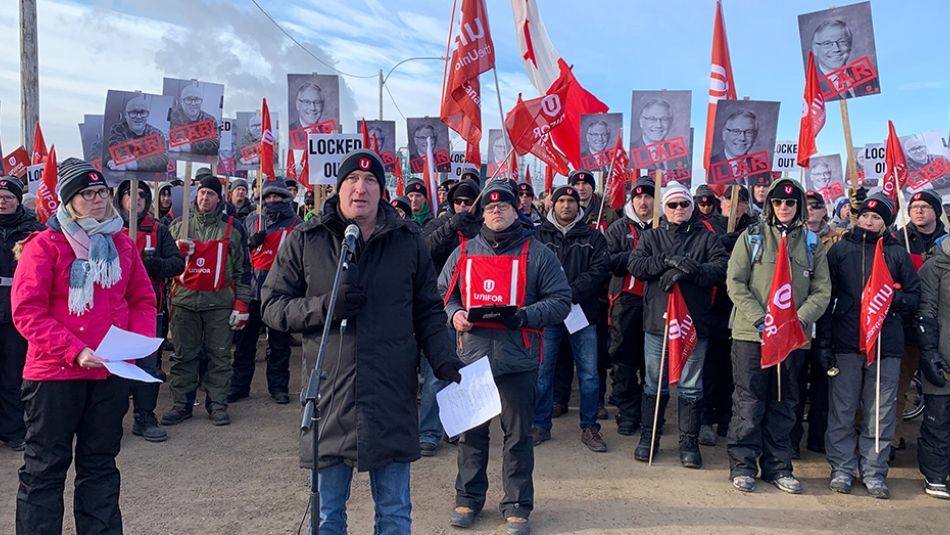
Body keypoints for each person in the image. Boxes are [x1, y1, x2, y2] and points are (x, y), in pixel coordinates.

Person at [261, 149, 463, 534]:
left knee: (394, 513)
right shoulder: (308, 238)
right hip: (330, 398)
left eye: (371, 181)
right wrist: (323, 307)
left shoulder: (407, 241)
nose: (361, 189)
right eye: (352, 180)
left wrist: (442, 357)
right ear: (338, 189)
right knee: (328, 515)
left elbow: (427, 309)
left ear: (382, 192)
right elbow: (271, 305)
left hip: (390, 395)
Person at [12, 157, 156, 533]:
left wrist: (132, 346)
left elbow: (142, 300)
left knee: (100, 465)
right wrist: (75, 350)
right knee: (44, 469)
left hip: (108, 373)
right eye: (86, 193)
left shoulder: (122, 244)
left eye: (101, 192)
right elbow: (28, 312)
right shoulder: (44, 245)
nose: (96, 199)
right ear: (68, 200)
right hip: (54, 376)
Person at [439, 180, 571, 535]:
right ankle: (467, 498)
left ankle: (517, 506)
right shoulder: (464, 253)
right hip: (473, 360)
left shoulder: (538, 253)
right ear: (482, 213)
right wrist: (454, 314)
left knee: (517, 437)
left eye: (504, 206)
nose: (496, 211)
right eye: (490, 207)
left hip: (518, 361)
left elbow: (561, 301)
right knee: (471, 435)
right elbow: (443, 293)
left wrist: (525, 316)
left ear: (517, 211)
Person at [726, 178, 831, 494]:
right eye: (777, 202)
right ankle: (743, 465)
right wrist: (762, 320)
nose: (783, 208)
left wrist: (794, 321)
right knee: (749, 400)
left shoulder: (812, 243)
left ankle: (778, 467)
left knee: (785, 402)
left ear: (798, 205)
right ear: (769, 205)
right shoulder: (752, 237)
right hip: (752, 335)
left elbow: (822, 290)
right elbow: (735, 282)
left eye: (790, 202)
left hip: (792, 338)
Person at [818, 194, 919, 499]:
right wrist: (824, 342)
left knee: (881, 409)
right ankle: (842, 468)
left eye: (877, 218)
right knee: (844, 409)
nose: (870, 222)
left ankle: (874, 471)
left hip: (885, 344)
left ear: (886, 223)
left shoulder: (897, 253)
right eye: (865, 216)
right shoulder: (841, 250)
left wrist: (891, 299)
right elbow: (825, 296)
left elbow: (913, 297)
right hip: (847, 341)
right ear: (857, 218)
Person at [629, 182, 728, 468]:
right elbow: (637, 266)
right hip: (658, 322)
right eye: (672, 205)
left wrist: (691, 269)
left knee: (691, 386)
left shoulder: (707, 238)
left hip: (693, 324)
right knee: (653, 382)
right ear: (665, 208)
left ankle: (689, 441)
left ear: (691, 206)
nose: (678, 210)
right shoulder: (651, 237)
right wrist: (666, 261)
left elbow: (720, 269)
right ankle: (649, 437)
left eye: (684, 204)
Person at [163, 173, 252, 427]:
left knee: (220, 356)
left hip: (220, 303)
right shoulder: (178, 226)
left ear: (219, 198)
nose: (205, 198)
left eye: (210, 194)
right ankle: (182, 404)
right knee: (183, 356)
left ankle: (218, 404)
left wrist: (242, 303)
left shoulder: (232, 228)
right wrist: (176, 255)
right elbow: (165, 267)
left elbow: (243, 270)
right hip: (184, 302)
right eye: (201, 193)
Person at [533, 185, 610, 451]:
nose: (566, 205)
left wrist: (568, 294)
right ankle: (539, 425)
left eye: (571, 201)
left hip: (582, 314)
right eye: (561, 200)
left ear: (579, 205)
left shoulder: (593, 237)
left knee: (589, 374)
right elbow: (531, 270)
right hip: (547, 315)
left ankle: (590, 427)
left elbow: (600, 271)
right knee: (543, 372)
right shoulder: (537, 235)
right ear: (552, 204)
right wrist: (554, 298)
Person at [114, 180, 184, 443]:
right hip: (114, 310)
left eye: (142, 194)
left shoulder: (158, 230)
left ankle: (145, 416)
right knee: (115, 365)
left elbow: (177, 263)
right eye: (130, 194)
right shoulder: (107, 230)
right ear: (120, 199)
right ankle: (111, 418)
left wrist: (154, 266)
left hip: (148, 308)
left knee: (147, 365)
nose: (137, 199)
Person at [231, 179, 301, 405]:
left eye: (277, 196)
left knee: (279, 345)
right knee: (244, 344)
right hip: (252, 291)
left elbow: (300, 259)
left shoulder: (296, 224)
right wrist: (251, 243)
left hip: (280, 293)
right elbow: (239, 257)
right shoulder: (251, 221)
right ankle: (240, 385)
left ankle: (278, 387)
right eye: (268, 197)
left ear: (285, 198)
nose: (272, 200)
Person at [790, 191, 844, 456]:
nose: (811, 209)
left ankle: (817, 438)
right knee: (795, 383)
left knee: (823, 382)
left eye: (817, 205)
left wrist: (856, 209)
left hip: (827, 318)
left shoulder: (838, 237)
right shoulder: (791, 236)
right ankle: (791, 440)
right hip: (797, 317)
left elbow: (860, 238)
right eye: (807, 205)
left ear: (825, 210)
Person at [892, 190, 947, 452]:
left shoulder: (945, 243)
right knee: (898, 389)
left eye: (925, 206)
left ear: (936, 211)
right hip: (906, 327)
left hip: (940, 329)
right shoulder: (898, 239)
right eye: (914, 206)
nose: (919, 211)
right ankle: (891, 441)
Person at [605, 177, 654, 436]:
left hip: (656, 302)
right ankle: (627, 411)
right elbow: (608, 261)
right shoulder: (618, 227)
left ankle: (649, 415)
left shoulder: (662, 226)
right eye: (638, 197)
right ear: (632, 200)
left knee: (652, 362)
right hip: (625, 301)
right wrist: (638, 256)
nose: (643, 201)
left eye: (648, 196)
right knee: (623, 358)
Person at [0, 177, 43, 452]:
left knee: (12, 373)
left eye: (7, 197)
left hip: (17, 311)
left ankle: (13, 429)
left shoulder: (33, 232)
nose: (2, 201)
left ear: (18, 200)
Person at [915, 234, 950, 500]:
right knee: (939, 417)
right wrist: (929, 349)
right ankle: (936, 474)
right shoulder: (936, 265)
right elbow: (926, 309)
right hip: (943, 352)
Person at [811, 19, 880, 98]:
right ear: (815, 49)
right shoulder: (809, 85)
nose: (836, 49)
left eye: (842, 42)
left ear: (850, 45)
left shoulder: (868, 77)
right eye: (827, 43)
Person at [105, 94, 169, 173]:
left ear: (147, 115)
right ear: (125, 114)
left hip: (147, 179)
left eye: (142, 112)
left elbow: (163, 160)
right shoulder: (117, 129)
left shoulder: (157, 134)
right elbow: (120, 156)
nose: (138, 117)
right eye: (133, 112)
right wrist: (149, 158)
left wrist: (131, 164)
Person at [168, 82, 220, 156]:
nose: (193, 103)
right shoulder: (172, 116)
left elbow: (216, 143)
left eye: (197, 99)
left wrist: (188, 146)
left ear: (201, 101)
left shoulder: (210, 120)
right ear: (181, 101)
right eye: (188, 99)